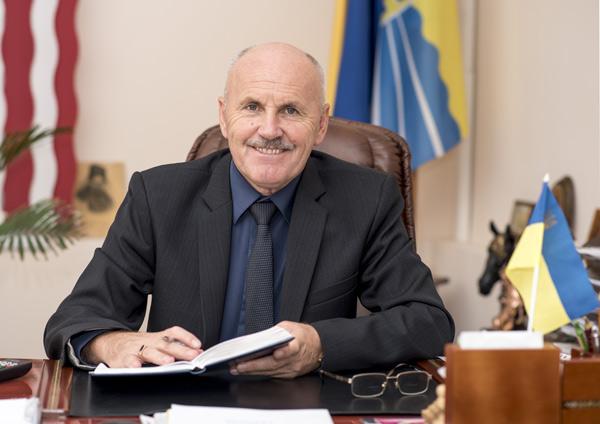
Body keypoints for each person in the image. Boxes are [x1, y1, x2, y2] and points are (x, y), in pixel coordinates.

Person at [44, 42, 454, 379]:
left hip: (307, 409)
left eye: (291, 110)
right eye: (252, 106)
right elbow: (73, 320)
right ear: (224, 117)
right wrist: (113, 343)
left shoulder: (366, 199)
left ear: (321, 124)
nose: (269, 130)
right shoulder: (157, 196)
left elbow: (428, 321)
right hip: (182, 406)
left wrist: (321, 345)